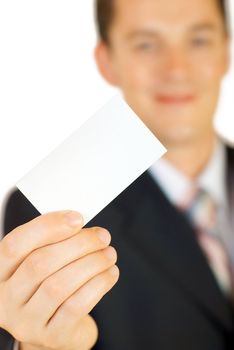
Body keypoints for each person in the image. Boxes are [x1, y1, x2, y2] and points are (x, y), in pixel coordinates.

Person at [1, 0, 234, 349]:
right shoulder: (49, 216)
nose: (177, 70)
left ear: (225, 52)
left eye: (198, 40)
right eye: (146, 44)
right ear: (107, 61)